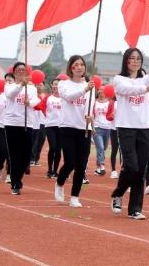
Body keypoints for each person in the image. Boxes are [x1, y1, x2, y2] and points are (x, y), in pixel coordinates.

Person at [110, 48, 149, 220]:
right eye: (131, 58)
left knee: (141, 170)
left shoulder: (146, 78)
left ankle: (135, 209)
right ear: (126, 60)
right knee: (131, 166)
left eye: (138, 58)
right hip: (126, 127)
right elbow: (127, 91)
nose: (135, 61)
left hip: (145, 127)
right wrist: (147, 88)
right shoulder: (118, 80)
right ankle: (119, 192)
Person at [53, 55, 96, 208]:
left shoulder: (91, 85)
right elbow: (69, 98)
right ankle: (59, 182)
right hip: (67, 127)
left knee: (81, 165)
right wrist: (85, 89)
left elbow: (90, 105)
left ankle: (75, 196)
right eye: (76, 65)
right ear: (71, 68)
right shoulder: (64, 84)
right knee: (70, 161)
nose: (79, 67)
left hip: (84, 128)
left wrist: (91, 116)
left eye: (81, 65)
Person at [4, 62, 39, 195]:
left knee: (26, 155)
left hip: (27, 123)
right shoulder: (9, 85)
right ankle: (15, 183)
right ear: (14, 72)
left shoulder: (32, 88)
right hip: (12, 123)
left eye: (23, 69)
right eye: (18, 69)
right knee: (14, 155)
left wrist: (29, 103)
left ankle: (18, 177)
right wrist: (20, 85)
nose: (20, 71)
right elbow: (10, 95)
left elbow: (36, 101)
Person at [0, 73, 13, 183]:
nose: (8, 82)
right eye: (6, 80)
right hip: (0, 126)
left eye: (10, 80)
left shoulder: (17, 95)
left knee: (11, 151)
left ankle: (10, 174)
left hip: (12, 126)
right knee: (3, 149)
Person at [42, 79, 62, 179]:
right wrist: (46, 115)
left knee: (58, 150)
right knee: (53, 147)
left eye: (57, 85)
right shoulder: (48, 98)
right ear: (52, 86)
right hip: (50, 126)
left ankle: (55, 170)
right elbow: (41, 106)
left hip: (61, 126)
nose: (56, 87)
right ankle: (50, 170)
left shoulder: (64, 98)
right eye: (54, 84)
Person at [92, 88, 111, 177]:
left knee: (104, 148)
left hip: (107, 128)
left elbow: (112, 114)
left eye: (103, 91)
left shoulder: (109, 103)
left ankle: (98, 167)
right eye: (100, 90)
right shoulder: (94, 102)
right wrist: (92, 127)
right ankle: (102, 165)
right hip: (97, 127)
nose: (101, 92)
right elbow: (91, 115)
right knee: (100, 147)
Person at [31, 83, 47, 166]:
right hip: (34, 122)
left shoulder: (46, 97)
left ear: (44, 86)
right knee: (34, 141)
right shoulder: (32, 96)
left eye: (40, 85)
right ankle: (32, 159)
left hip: (44, 122)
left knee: (41, 141)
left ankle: (36, 159)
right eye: (37, 85)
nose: (38, 86)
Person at [105, 96, 121, 179]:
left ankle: (123, 170)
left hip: (124, 130)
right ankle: (113, 171)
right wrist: (111, 116)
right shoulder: (112, 103)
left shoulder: (126, 101)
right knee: (115, 150)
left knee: (123, 151)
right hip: (114, 129)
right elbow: (108, 116)